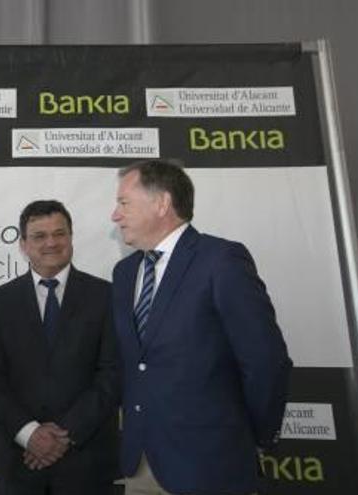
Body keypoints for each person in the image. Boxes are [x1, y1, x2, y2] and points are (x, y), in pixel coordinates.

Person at [110, 159, 292, 495]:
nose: (115, 215)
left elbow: (265, 359)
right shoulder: (124, 274)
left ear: (162, 202)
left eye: (123, 203)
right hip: (140, 466)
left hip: (211, 464)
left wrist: (257, 436)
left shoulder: (220, 260)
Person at [0, 200, 119, 495]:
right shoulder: (1, 301)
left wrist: (63, 436)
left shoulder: (106, 296)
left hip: (86, 461)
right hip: (19, 462)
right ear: (23, 244)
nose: (51, 243)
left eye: (59, 233)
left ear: (71, 237)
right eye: (40, 236)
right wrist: (30, 434)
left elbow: (112, 374)